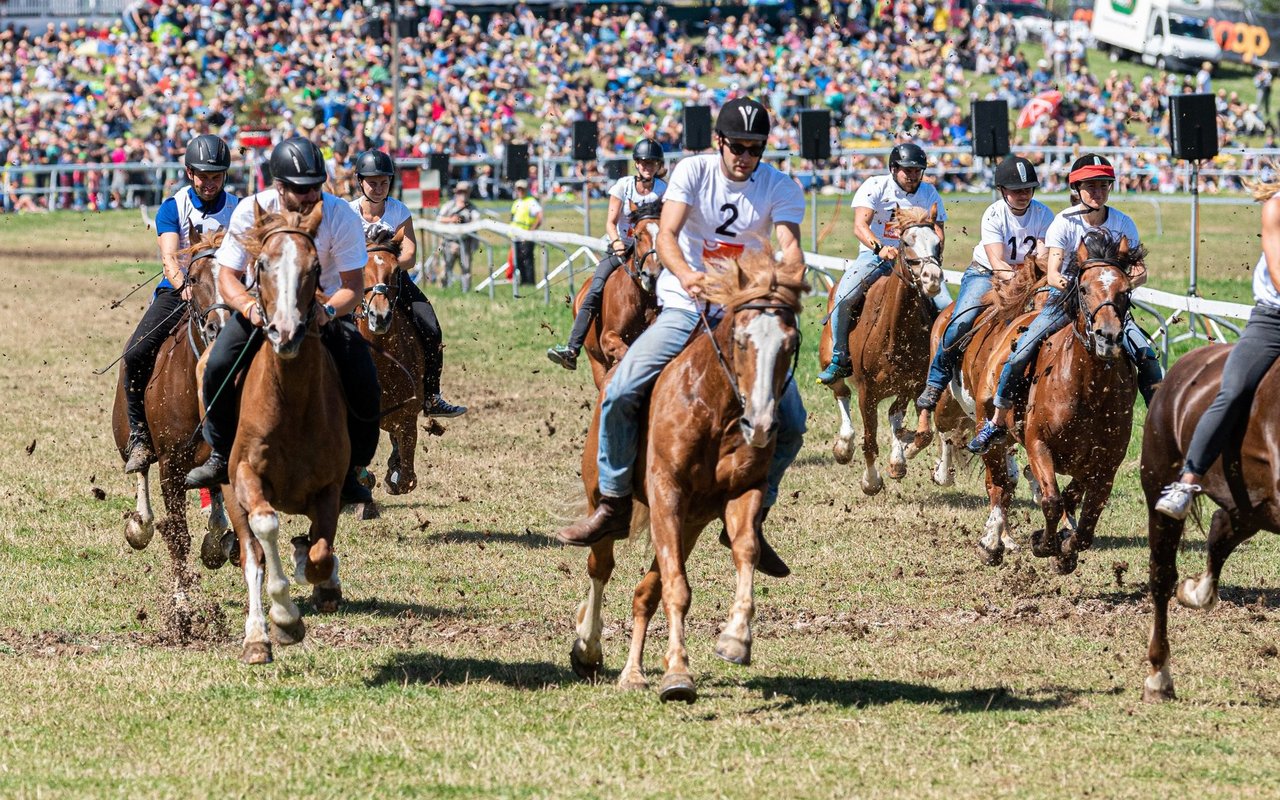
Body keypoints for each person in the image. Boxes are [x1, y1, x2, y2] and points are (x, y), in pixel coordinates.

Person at [556, 97, 806, 579]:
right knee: (620, 388)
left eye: (754, 148)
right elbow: (666, 235)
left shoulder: (780, 186)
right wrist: (688, 275)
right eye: (737, 146)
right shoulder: (693, 173)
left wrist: (786, 275)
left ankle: (755, 515)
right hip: (684, 306)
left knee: (793, 421)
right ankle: (611, 502)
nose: (744, 156)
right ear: (719, 142)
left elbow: (789, 243)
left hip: (741, 316)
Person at [183, 137, 380, 506]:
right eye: (300, 190)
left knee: (365, 377)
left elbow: (354, 285)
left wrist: (328, 312)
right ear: (279, 187)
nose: (309, 197)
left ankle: (354, 468)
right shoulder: (249, 210)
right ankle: (221, 454)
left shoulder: (340, 216)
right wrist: (250, 309)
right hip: (263, 309)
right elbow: (227, 276)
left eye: (315, 188)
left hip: (325, 312)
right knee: (216, 366)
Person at [967, 153, 1164, 454]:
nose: (1097, 193)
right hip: (1065, 300)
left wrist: (1116, 287)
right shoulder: (1063, 223)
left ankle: (1161, 427)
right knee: (1020, 351)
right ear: (1077, 189)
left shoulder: (1124, 223)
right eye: (1090, 186)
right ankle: (996, 420)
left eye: (1102, 186)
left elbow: (1139, 270)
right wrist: (1081, 288)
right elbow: (1054, 273)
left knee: (1147, 356)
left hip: (1108, 305)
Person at [1155, 180, 1280, 519]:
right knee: (1235, 388)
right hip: (1273, 322)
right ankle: (1188, 479)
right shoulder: (1276, 207)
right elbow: (1278, 273)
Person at [120, 133, 238, 473]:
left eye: (216, 175)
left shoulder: (238, 209)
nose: (209, 182)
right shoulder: (174, 206)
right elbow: (170, 257)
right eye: (203, 175)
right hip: (181, 290)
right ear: (189, 173)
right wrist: (183, 285)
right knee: (135, 352)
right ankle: (140, 435)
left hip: (227, 291)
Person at [916, 155, 1053, 412]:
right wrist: (1018, 282)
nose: (1023, 195)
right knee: (961, 321)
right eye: (1016, 191)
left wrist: (1032, 280)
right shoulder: (993, 214)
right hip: (987, 274)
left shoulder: (1044, 214)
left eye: (1027, 189)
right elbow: (997, 262)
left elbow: (1043, 257)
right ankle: (936, 380)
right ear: (1002, 190)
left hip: (1030, 278)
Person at [817, 142, 949, 384]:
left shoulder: (929, 193)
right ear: (893, 168)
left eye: (917, 171)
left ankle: (946, 363)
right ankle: (840, 357)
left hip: (917, 260)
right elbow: (860, 226)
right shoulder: (875, 186)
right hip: (874, 256)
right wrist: (880, 248)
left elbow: (939, 230)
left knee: (947, 305)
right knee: (844, 297)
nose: (912, 176)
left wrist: (932, 255)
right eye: (907, 170)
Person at [350, 149, 466, 418]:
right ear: (360, 182)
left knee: (431, 327)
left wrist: (385, 265)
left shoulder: (399, 210)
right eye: (372, 182)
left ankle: (431, 395)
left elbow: (410, 255)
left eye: (384, 182)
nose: (379, 188)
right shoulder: (347, 212)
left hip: (394, 281)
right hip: (357, 280)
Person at [547, 138, 668, 370]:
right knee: (596, 287)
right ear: (636, 164)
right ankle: (572, 348)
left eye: (652, 163)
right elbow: (611, 222)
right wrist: (617, 244)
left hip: (651, 249)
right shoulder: (623, 186)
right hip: (621, 246)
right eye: (643, 163)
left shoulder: (664, 190)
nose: (647, 167)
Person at [436, 180, 480, 291]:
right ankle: (442, 291)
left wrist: (465, 223)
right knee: (445, 268)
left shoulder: (472, 208)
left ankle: (466, 292)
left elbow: (477, 222)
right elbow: (439, 219)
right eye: (460, 192)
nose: (462, 194)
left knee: (466, 270)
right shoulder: (448, 206)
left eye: (465, 192)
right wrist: (451, 219)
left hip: (465, 243)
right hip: (448, 242)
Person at [510, 178, 542, 288]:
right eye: (518, 189)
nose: (520, 191)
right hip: (516, 237)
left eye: (522, 189)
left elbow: (539, 217)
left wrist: (530, 232)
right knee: (518, 260)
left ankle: (529, 282)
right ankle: (523, 282)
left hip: (526, 236)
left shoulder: (531, 201)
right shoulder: (516, 202)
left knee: (527, 261)